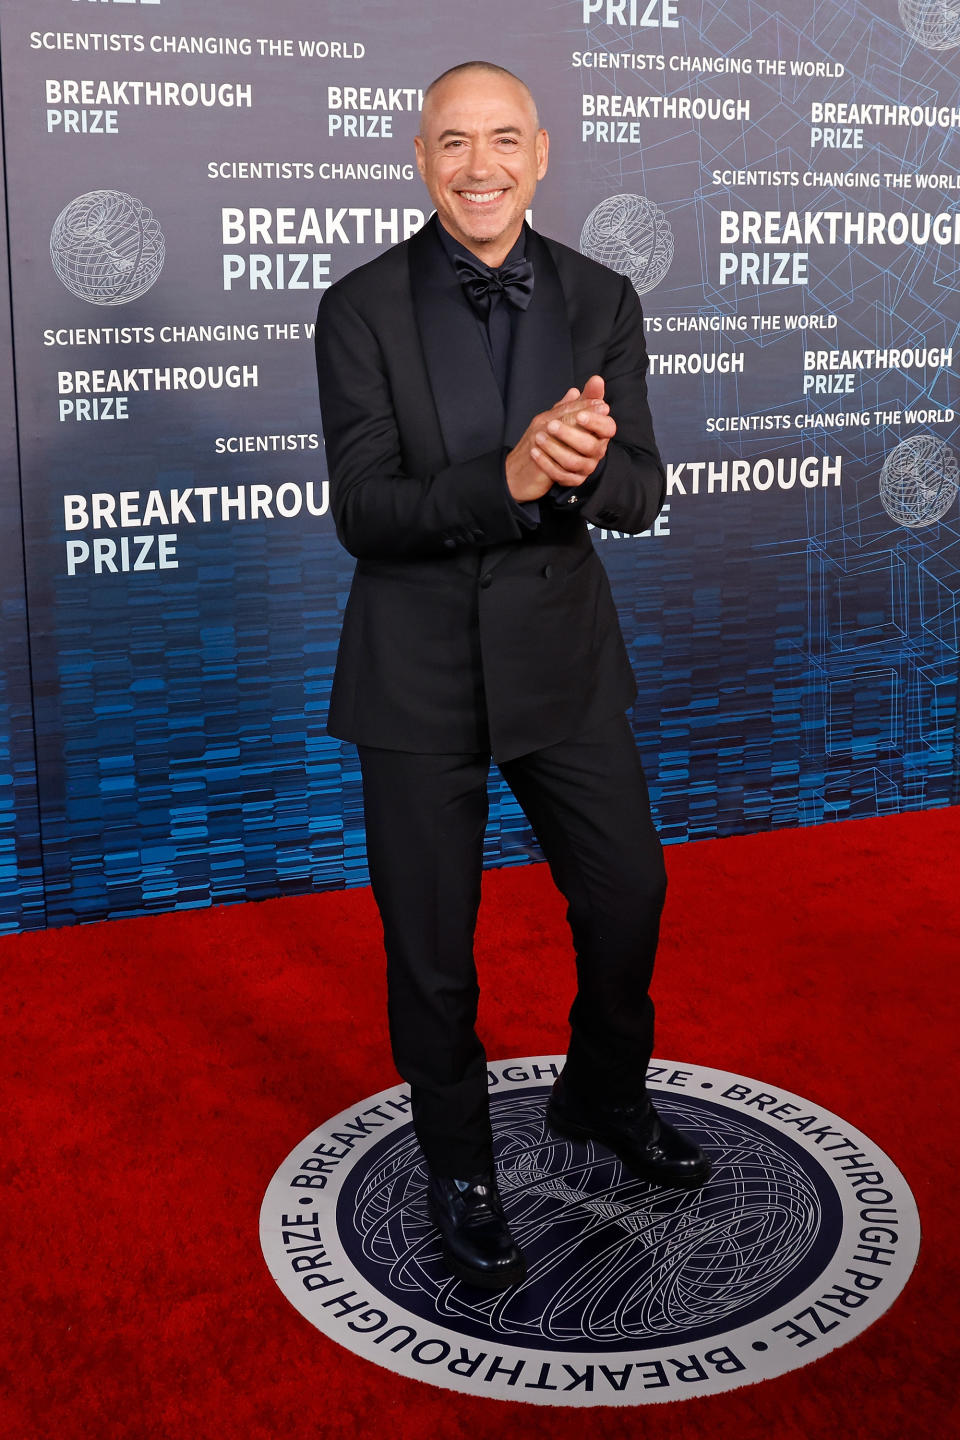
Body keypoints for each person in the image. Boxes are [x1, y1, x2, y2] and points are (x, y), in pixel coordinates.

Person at [314, 60, 709, 1292]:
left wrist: (585, 469)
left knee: (629, 894)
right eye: (451, 143)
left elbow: (642, 491)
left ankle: (601, 1097)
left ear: (543, 153)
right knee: (432, 948)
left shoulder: (603, 295)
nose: (477, 167)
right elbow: (366, 513)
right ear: (419, 157)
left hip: (561, 656)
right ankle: (461, 1166)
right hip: (415, 666)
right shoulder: (359, 306)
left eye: (501, 141)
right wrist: (518, 476)